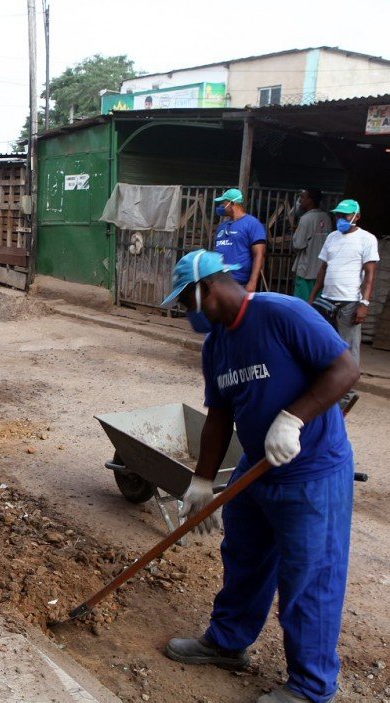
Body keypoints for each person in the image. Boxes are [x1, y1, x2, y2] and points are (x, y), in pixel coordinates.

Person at [160, 249, 359, 703]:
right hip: (256, 466)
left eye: (187, 304)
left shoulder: (281, 313)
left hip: (311, 470)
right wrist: (202, 481)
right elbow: (219, 416)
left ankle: (311, 687)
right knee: (244, 557)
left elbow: (346, 369)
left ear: (207, 288)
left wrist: (294, 418)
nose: (187, 315)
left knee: (309, 576)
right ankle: (228, 642)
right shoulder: (217, 345)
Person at [308, 199, 378, 367]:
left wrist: (364, 304)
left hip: (349, 302)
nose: (340, 219)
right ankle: (329, 381)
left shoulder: (367, 239)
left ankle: (348, 387)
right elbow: (323, 269)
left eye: (344, 216)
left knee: (349, 347)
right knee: (327, 344)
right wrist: (312, 297)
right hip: (326, 300)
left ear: (357, 216)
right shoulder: (332, 237)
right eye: (338, 215)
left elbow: (370, 274)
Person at [212, 188, 266, 293]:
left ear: (232, 203)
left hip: (240, 284)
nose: (222, 206)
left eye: (224, 203)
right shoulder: (221, 227)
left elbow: (259, 254)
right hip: (219, 282)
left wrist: (252, 282)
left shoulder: (252, 224)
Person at [290, 189, 332, 301]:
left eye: (303, 197)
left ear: (310, 200)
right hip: (321, 270)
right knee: (317, 305)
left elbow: (299, 244)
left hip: (306, 269)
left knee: (301, 304)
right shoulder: (326, 218)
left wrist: (295, 234)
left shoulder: (306, 219)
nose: (300, 200)